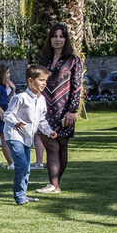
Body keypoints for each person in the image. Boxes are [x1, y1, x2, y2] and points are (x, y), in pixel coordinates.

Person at [36, 23, 83, 194]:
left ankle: (55, 184)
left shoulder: (73, 61)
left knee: (62, 147)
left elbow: (76, 87)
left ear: (66, 39)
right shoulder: (43, 61)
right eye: (55, 36)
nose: (58, 39)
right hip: (44, 110)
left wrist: (72, 110)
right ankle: (53, 184)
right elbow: (35, 84)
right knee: (51, 147)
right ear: (50, 38)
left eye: (61, 36)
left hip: (65, 111)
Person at [3, 64, 57, 205]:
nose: (44, 83)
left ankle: (23, 194)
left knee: (26, 168)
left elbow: (41, 120)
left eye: (45, 80)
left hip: (27, 137)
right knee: (21, 165)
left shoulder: (41, 100)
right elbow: (7, 115)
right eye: (41, 80)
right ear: (30, 81)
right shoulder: (20, 98)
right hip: (14, 135)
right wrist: (15, 123)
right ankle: (19, 196)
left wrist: (49, 131)